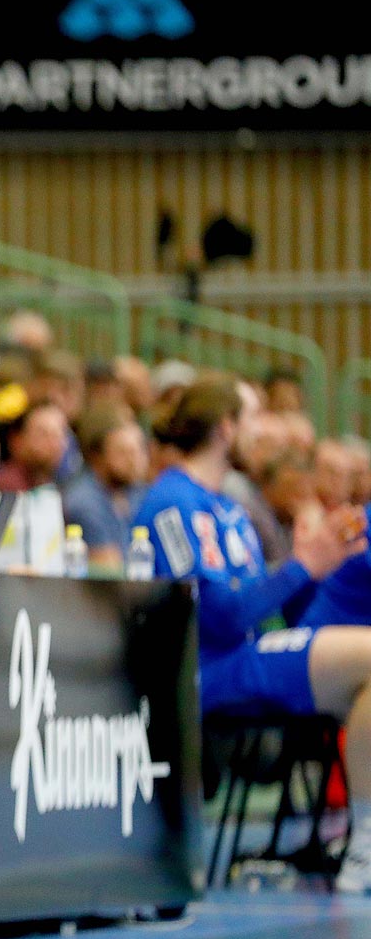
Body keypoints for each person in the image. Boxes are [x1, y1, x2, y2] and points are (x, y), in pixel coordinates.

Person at [132, 377, 371, 892]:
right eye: (252, 419)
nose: (263, 432)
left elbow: (270, 606)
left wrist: (318, 567)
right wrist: (302, 566)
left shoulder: (229, 506)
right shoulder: (173, 502)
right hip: (207, 667)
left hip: (252, 652)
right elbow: (219, 617)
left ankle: (364, 848)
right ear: (225, 428)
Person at [61, 402, 149, 572]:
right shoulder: (83, 501)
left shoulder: (137, 492)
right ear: (96, 455)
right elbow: (110, 569)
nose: (135, 461)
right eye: (124, 452)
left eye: (139, 450)